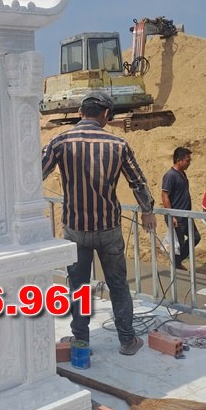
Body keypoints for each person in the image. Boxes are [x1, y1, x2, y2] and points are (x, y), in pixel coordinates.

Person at [42, 90, 155, 356]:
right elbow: (137, 182)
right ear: (106, 114)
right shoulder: (118, 145)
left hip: (75, 229)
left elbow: (35, 173)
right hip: (108, 230)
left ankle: (81, 341)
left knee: (78, 287)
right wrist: (147, 211)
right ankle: (127, 340)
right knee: (118, 286)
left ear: (80, 112)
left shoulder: (60, 141)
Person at [161, 147, 201, 270]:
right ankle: (176, 265)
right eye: (187, 160)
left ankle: (176, 262)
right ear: (179, 160)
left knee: (195, 237)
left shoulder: (182, 174)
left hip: (185, 216)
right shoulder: (170, 175)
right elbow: (164, 195)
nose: (189, 163)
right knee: (179, 243)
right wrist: (171, 215)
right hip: (176, 217)